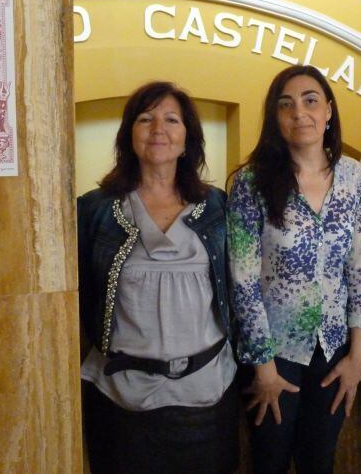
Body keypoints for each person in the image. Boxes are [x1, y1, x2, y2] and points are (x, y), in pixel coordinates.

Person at [77, 81, 238, 474]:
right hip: (120, 399)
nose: (158, 129)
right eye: (145, 119)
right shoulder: (94, 210)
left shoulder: (218, 206)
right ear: (129, 135)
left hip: (207, 394)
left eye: (171, 120)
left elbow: (241, 287)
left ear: (187, 139)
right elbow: (78, 294)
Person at [227, 65, 361, 474]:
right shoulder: (250, 183)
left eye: (310, 101)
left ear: (328, 110)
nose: (300, 112)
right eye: (286, 104)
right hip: (272, 353)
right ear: (275, 118)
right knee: (270, 462)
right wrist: (262, 367)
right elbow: (242, 279)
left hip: (334, 349)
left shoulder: (353, 176)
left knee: (320, 461)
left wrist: (358, 355)